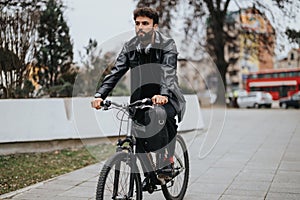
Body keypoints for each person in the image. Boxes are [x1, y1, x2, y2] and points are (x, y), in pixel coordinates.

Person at [91, 7, 185, 185]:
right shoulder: (130, 47)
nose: (140, 27)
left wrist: (163, 94)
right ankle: (149, 174)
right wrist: (100, 94)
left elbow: (168, 72)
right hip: (140, 98)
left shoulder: (167, 44)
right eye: (137, 24)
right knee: (138, 134)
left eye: (145, 23)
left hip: (167, 95)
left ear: (154, 26)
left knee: (162, 115)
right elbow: (116, 72)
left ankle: (166, 160)